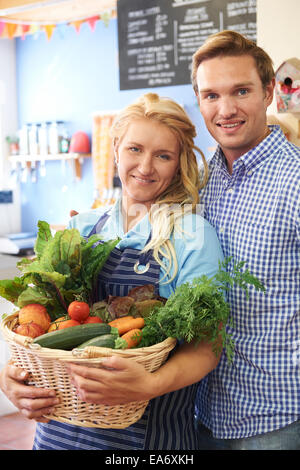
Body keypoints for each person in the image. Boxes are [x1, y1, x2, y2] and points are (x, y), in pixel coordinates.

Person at [0, 93, 224, 450]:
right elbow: (39, 324)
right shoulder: (83, 227)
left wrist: (149, 385)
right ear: (116, 148)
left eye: (163, 155)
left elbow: (207, 347)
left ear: (179, 162)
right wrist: (9, 378)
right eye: (135, 149)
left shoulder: (193, 237)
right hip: (58, 433)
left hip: (147, 438)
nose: (146, 167)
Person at [191, 30, 300, 450]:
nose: (226, 109)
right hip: (202, 412)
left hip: (277, 420)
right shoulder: (200, 181)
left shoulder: (294, 181)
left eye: (241, 91)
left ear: (269, 91)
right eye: (211, 95)